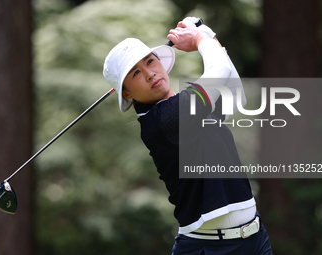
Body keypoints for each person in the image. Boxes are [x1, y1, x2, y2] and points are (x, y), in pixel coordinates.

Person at [103, 17, 273, 255]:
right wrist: (198, 38)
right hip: (211, 248)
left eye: (150, 62)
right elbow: (220, 70)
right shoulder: (165, 119)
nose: (150, 74)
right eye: (136, 73)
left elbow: (235, 94)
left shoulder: (186, 105)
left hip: (255, 240)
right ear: (127, 93)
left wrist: (207, 33)